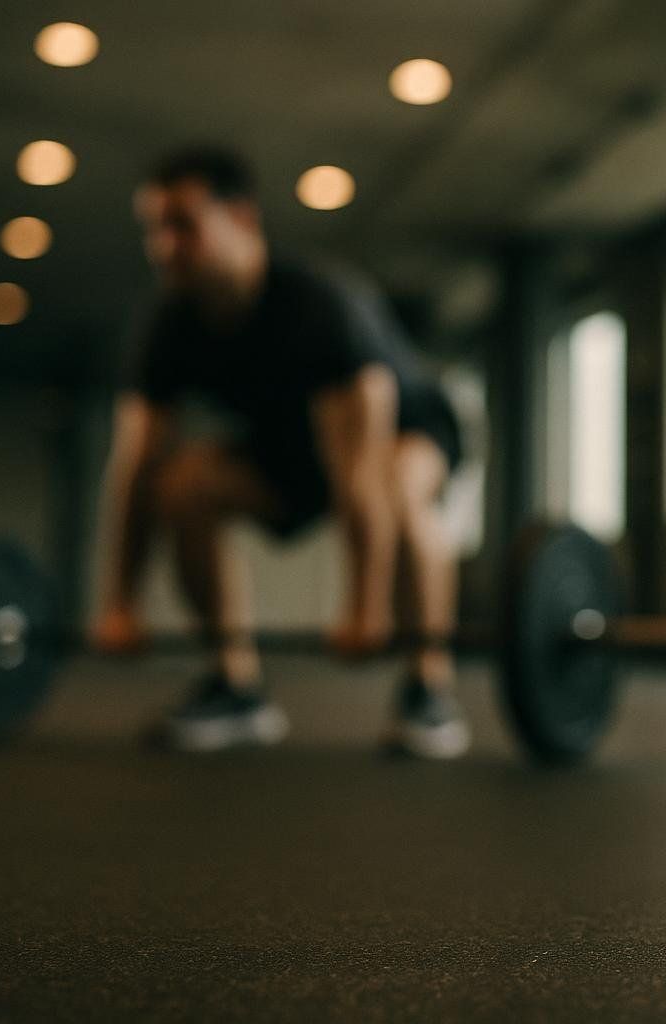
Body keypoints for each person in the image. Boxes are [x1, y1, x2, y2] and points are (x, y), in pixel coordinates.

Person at [90, 146, 469, 758]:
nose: (164, 245)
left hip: (405, 431)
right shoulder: (170, 321)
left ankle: (429, 682)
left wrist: (364, 606)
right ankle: (237, 686)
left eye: (182, 223)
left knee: (399, 487)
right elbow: (135, 463)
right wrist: (118, 603)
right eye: (155, 228)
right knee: (182, 486)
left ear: (240, 218)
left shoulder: (319, 307)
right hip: (290, 453)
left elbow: (360, 474)